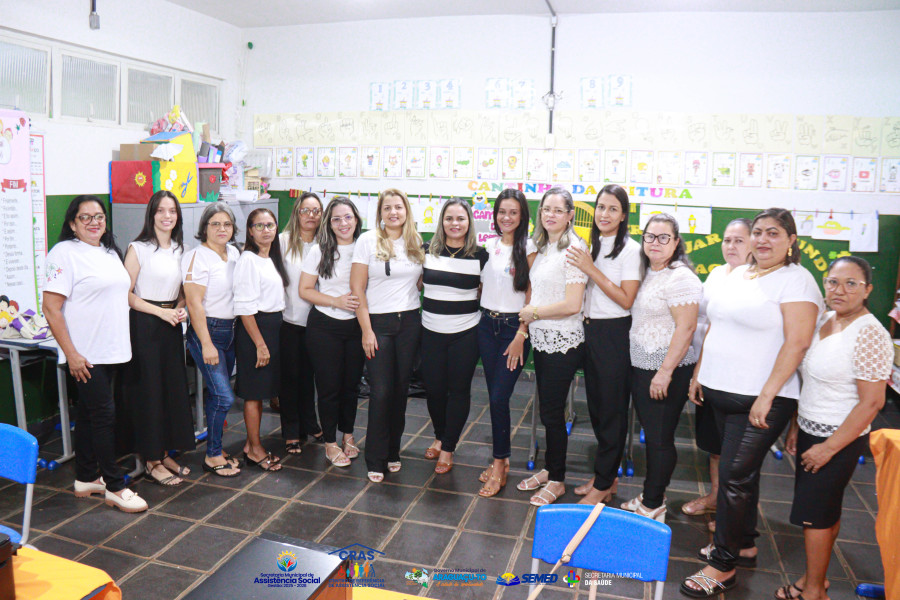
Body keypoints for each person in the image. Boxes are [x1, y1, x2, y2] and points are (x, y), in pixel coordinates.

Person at [682, 208, 823, 598]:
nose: (763, 239)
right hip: (718, 390)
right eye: (758, 232)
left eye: (773, 233)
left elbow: (798, 342)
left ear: (791, 240)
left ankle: (723, 565)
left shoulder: (797, 280)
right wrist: (699, 373)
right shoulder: (740, 273)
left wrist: (767, 395)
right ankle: (743, 543)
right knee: (740, 477)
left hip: (763, 400)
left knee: (733, 477)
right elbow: (715, 326)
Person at [775, 256, 892, 600]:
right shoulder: (825, 319)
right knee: (823, 512)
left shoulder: (871, 334)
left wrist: (828, 448)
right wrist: (797, 426)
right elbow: (811, 381)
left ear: (867, 290)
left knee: (816, 516)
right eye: (833, 282)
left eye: (851, 283)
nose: (840, 290)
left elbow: (872, 403)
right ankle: (815, 578)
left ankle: (813, 591)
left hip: (839, 438)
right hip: (811, 428)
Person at [43, 195, 148, 512]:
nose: (94, 222)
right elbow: (51, 308)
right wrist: (71, 354)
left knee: (90, 415)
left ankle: (86, 477)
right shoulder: (64, 253)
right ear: (73, 223)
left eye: (99, 216)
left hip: (111, 349)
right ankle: (115, 486)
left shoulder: (108, 251)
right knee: (104, 416)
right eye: (85, 217)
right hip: (85, 354)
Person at [620, 213, 701, 521]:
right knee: (653, 434)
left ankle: (654, 504)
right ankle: (651, 493)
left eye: (663, 237)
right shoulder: (649, 272)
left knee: (659, 438)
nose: (655, 242)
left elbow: (687, 328)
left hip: (667, 369)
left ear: (676, 242)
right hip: (643, 365)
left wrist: (665, 372)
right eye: (650, 236)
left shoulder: (680, 277)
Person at [566, 184, 641, 505]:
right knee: (597, 409)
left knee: (611, 411)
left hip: (615, 334)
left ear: (623, 215)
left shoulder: (632, 250)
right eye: (600, 207)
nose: (604, 214)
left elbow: (626, 299)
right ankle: (606, 478)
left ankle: (604, 482)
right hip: (590, 330)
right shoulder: (591, 245)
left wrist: (590, 269)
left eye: (613, 209)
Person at [515, 187, 588, 507]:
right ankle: (549, 468)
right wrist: (532, 321)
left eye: (558, 210)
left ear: (570, 215)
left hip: (564, 341)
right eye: (546, 209)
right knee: (547, 410)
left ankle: (557, 480)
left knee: (553, 413)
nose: (550, 215)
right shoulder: (543, 246)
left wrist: (533, 313)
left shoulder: (574, 249)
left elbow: (573, 304)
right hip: (543, 339)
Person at [351, 189, 424, 483]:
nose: (393, 212)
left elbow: (418, 283)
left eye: (398, 207)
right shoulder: (367, 241)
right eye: (387, 208)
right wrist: (366, 330)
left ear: (406, 211)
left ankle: (393, 451)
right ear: (380, 213)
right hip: (378, 324)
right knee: (381, 392)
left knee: (400, 390)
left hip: (409, 322)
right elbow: (357, 289)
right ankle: (375, 457)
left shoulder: (415, 241)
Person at [122, 191, 195, 486]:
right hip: (145, 325)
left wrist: (180, 307)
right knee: (149, 392)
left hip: (170, 326)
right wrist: (160, 312)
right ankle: (151, 460)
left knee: (170, 391)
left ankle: (164, 453)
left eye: (172, 211)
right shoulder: (138, 249)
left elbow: (183, 291)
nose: (167, 216)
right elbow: (125, 294)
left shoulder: (182, 249)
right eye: (161, 210)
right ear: (151, 214)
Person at [682, 218, 752, 518]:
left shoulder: (756, 279)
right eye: (727, 240)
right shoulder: (716, 274)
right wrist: (698, 372)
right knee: (714, 444)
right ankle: (714, 497)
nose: (731, 246)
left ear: (753, 244)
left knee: (736, 452)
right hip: (708, 369)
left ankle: (729, 513)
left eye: (739, 240)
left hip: (739, 379)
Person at [421, 198, 488, 475]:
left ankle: (448, 447)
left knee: (458, 390)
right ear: (442, 222)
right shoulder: (427, 250)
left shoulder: (481, 256)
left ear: (469, 222)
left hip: (465, 333)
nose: (455, 223)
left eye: (460, 218)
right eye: (449, 218)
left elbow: (486, 291)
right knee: (434, 389)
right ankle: (439, 435)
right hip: (430, 331)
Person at [476, 190, 537, 497]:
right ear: (495, 215)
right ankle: (502, 458)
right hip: (486, 325)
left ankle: (500, 463)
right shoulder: (488, 246)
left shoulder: (531, 248)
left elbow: (532, 295)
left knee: (500, 397)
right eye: (502, 212)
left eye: (513, 212)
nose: (507, 217)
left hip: (514, 329)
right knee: (493, 395)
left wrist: (521, 334)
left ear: (522, 216)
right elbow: (481, 287)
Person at [299, 197, 365, 467]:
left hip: (357, 326)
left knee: (351, 386)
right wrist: (335, 301)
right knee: (328, 388)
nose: (343, 223)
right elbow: (305, 290)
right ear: (329, 223)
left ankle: (348, 435)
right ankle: (330, 442)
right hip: (325, 326)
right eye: (336, 219)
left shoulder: (366, 248)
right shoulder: (319, 250)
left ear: (356, 220)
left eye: (348, 217)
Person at [183, 202, 242, 478]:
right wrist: (206, 343)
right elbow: (194, 303)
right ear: (204, 227)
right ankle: (212, 455)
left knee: (217, 395)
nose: (221, 229)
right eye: (215, 223)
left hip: (231, 330)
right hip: (207, 330)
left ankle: (216, 447)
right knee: (223, 395)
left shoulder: (234, 252)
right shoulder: (197, 256)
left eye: (227, 224)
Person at [233, 208, 288, 471]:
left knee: (261, 391)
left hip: (273, 327)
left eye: (270, 225)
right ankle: (255, 450)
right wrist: (260, 344)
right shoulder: (248, 260)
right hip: (256, 329)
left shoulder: (271, 258)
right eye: (259, 226)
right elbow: (245, 308)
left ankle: (250, 445)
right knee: (253, 394)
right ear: (250, 231)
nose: (266, 230)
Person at [280, 192, 325, 455]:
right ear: (296, 213)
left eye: (316, 211)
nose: (311, 216)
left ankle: (310, 422)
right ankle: (291, 431)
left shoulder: (325, 243)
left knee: (310, 377)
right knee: (290, 378)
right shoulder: (283, 241)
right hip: (289, 320)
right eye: (305, 211)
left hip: (319, 322)